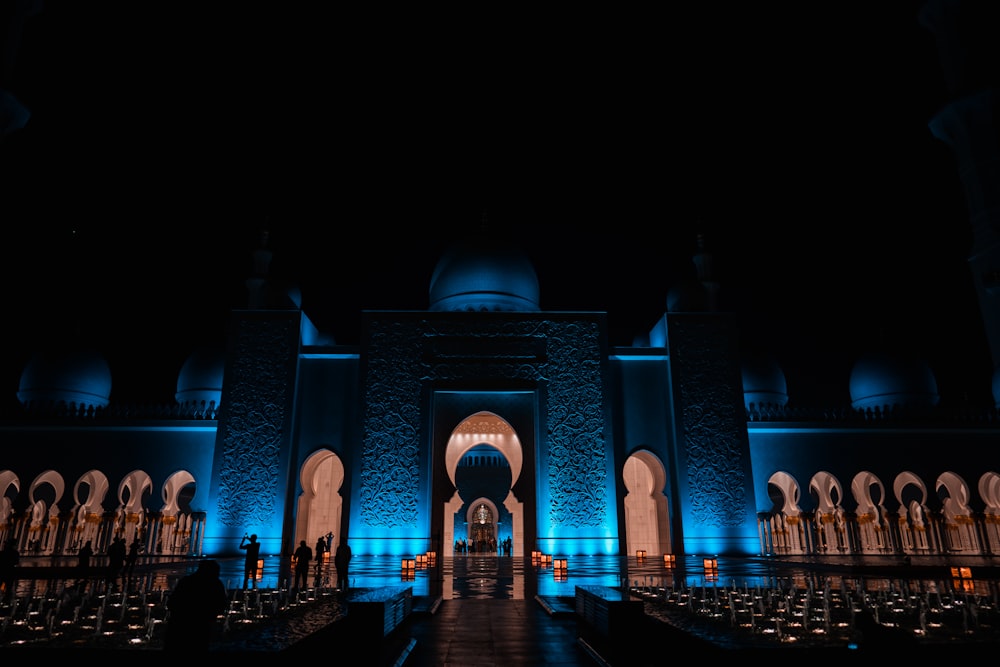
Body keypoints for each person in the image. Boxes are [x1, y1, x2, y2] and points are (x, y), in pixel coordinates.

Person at [164, 559, 228, 653]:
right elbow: (221, 605)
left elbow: (171, 603)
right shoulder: (215, 584)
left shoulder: (185, 581)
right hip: (201, 627)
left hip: (179, 625)